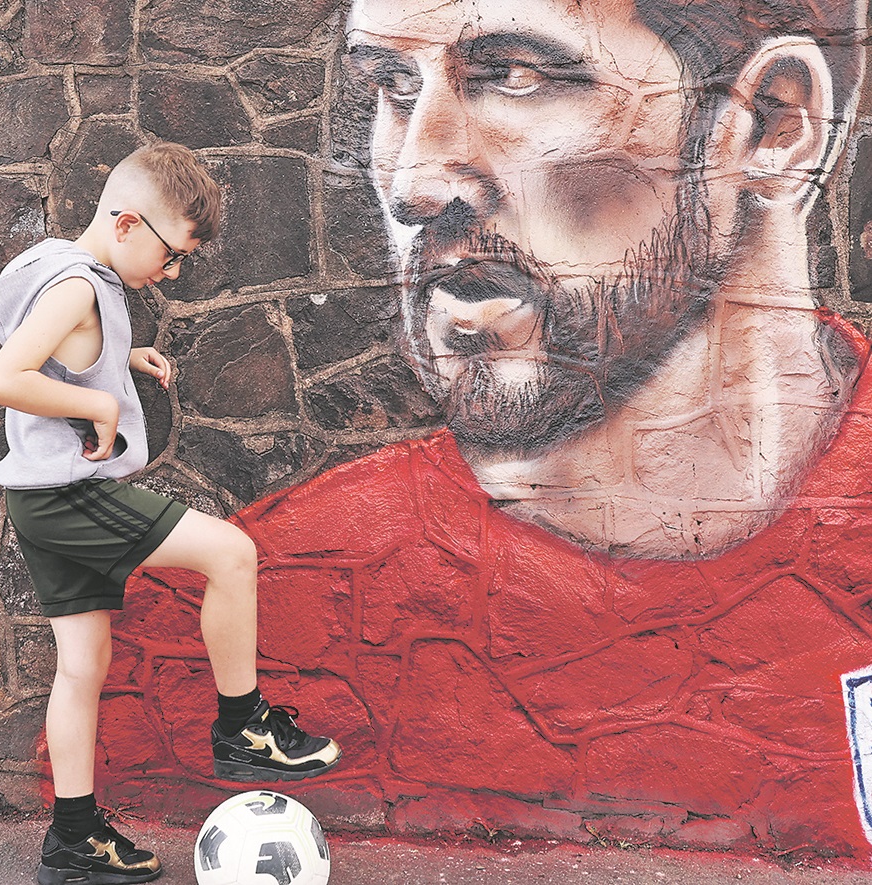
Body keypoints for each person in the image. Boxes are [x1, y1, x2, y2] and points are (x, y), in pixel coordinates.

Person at [222, 0, 872, 858]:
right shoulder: (240, 614)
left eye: (514, 77)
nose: (415, 183)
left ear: (773, 123)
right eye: (391, 85)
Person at [0, 142, 341, 885]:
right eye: (171, 255)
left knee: (82, 667)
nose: (170, 273)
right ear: (125, 222)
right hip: (71, 494)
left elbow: (54, 353)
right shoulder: (78, 286)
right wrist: (97, 400)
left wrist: (120, 356)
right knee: (232, 553)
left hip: (39, 499)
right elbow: (3, 378)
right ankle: (242, 726)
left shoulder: (67, 267)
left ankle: (73, 841)